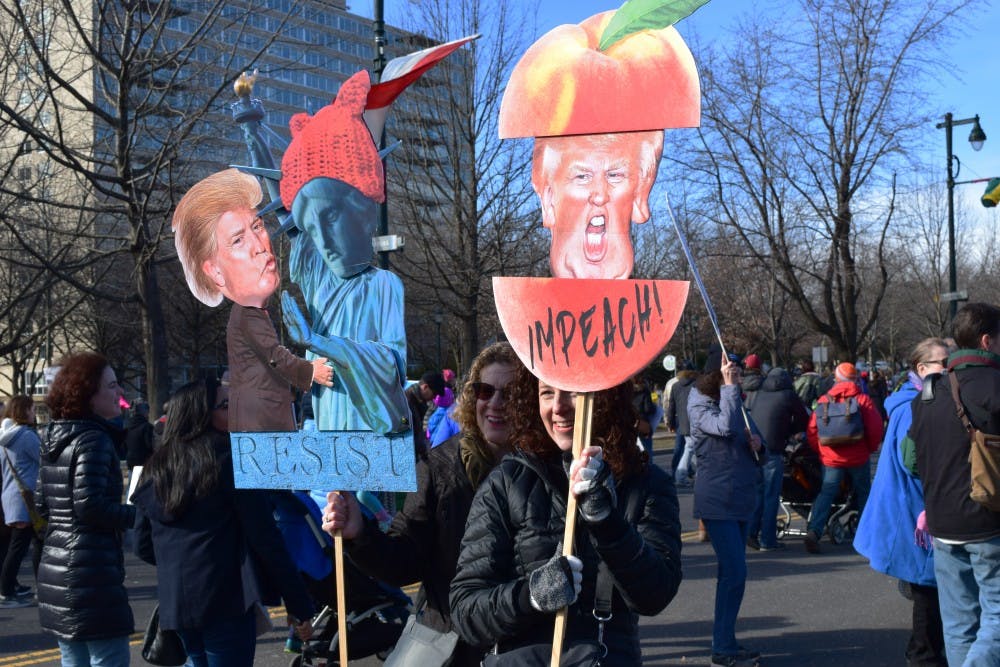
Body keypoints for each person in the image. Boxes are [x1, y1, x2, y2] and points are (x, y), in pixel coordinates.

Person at [448, 365, 682, 665]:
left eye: (572, 392)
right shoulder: (507, 482)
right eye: (546, 393)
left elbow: (655, 594)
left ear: (605, 396)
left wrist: (607, 523)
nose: (558, 407)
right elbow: (466, 610)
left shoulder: (646, 483)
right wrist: (530, 596)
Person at [321, 342, 520, 666]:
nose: (495, 403)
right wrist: (360, 534)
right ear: (472, 397)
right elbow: (404, 560)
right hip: (449, 641)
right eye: (485, 391)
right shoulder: (439, 466)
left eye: (509, 394)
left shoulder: (544, 470)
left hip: (520, 645)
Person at [133, 379, 313, 666]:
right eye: (227, 405)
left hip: (177, 604)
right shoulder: (232, 461)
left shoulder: (156, 466)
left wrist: (181, 562)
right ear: (201, 414)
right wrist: (299, 603)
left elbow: (142, 542)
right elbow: (266, 539)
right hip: (225, 600)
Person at [171, 168, 333, 432]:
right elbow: (274, 356)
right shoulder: (247, 314)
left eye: (257, 226)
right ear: (215, 272)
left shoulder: (253, 313)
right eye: (238, 240)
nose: (260, 245)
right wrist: (309, 371)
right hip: (262, 425)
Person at [908, 303, 1000, 666]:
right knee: (995, 617)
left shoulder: (927, 395)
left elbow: (910, 459)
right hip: (988, 520)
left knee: (960, 623)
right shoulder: (994, 387)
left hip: (942, 524)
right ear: (987, 340)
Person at [854, 338, 950, 667]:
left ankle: (923, 653)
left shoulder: (914, 400)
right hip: (915, 515)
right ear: (921, 369)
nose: (949, 367)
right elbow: (915, 462)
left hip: (914, 512)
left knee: (928, 590)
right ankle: (923, 657)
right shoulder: (915, 406)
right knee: (928, 591)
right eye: (943, 361)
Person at [36, 352, 136, 665]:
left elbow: (41, 504)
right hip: (91, 572)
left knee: (74, 659)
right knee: (109, 657)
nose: (119, 392)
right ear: (89, 395)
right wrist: (139, 515)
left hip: (56, 567)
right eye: (112, 386)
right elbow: (89, 506)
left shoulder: (53, 436)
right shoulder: (94, 439)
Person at [689, 353, 764, 666]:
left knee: (732, 576)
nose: (736, 375)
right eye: (729, 371)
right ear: (713, 374)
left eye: (737, 371)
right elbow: (724, 428)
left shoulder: (732, 398)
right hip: (718, 500)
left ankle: (726, 642)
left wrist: (758, 442)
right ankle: (722, 648)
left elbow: (749, 433)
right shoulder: (698, 404)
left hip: (740, 497)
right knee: (735, 573)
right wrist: (731, 388)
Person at [530, 131, 663, 280]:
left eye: (614, 176)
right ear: (548, 200)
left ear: (639, 195)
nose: (599, 196)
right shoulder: (521, 301)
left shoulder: (661, 301)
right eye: (582, 177)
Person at [803, 362, 883, 554]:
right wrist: (869, 448)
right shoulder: (862, 400)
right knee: (864, 493)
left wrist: (822, 451)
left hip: (832, 458)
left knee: (826, 492)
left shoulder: (824, 400)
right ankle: (866, 534)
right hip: (857, 456)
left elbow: (812, 430)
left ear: (836, 379)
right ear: (855, 379)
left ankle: (814, 530)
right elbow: (875, 428)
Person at [745, 367, 809, 551]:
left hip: (756, 449)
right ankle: (767, 540)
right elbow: (803, 420)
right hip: (773, 448)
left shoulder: (760, 393)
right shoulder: (788, 395)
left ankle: (751, 532)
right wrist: (789, 432)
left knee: (758, 493)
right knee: (771, 496)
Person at [0, 396, 42, 607]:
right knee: (28, 545)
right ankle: (7, 590)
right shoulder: (26, 436)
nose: (34, 413)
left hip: (12, 496)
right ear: (24, 411)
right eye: (32, 409)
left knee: (20, 545)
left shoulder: (5, 437)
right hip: (26, 498)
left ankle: (9, 589)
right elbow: (44, 459)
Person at [668, 368, 698, 486]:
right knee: (691, 448)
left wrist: (670, 423)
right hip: (695, 421)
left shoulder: (675, 386)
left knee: (692, 448)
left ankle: (695, 475)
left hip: (682, 423)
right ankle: (681, 476)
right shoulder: (695, 384)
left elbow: (671, 407)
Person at [405, 371, 446, 458]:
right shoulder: (407, 403)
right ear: (425, 387)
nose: (434, 397)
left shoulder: (418, 403)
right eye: (434, 393)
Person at [124, 401, 154, 468]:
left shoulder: (127, 427)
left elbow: (124, 446)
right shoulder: (147, 427)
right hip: (144, 462)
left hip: (130, 461)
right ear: (145, 412)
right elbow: (150, 445)